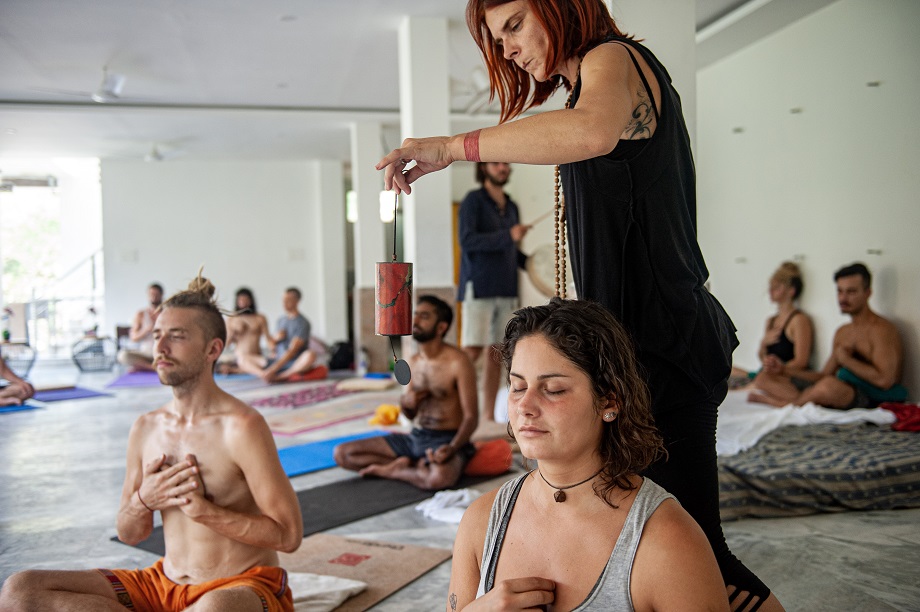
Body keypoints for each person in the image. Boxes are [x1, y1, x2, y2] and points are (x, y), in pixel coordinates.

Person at [376, 1, 780, 609]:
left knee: (701, 551)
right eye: (498, 37)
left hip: (664, 348)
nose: (508, 49)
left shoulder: (612, 60)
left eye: (515, 24)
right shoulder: (582, 92)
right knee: (635, 533)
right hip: (626, 352)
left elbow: (592, 130)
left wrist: (452, 147)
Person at [0, 273, 303, 611]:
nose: (159, 348)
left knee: (212, 609)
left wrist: (205, 511)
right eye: (158, 335)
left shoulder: (242, 427)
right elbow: (130, 533)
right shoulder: (146, 428)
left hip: (241, 586)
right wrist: (144, 499)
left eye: (176, 337)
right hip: (162, 584)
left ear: (212, 349)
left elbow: (288, 535)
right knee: (19, 590)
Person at [448, 299, 727, 610]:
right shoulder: (483, 521)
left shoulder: (665, 541)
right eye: (517, 387)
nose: (524, 406)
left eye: (552, 389)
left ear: (609, 401)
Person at [333, 295, 479, 490]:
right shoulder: (411, 361)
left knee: (439, 479)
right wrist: (407, 405)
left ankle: (394, 470)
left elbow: (471, 417)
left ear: (441, 327)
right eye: (415, 315)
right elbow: (409, 415)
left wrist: (452, 448)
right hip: (416, 437)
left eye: (424, 316)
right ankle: (410, 467)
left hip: (446, 439)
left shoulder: (459, 362)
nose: (415, 321)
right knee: (342, 454)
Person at [750, 263, 907, 409]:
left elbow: (885, 381)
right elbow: (823, 375)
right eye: (840, 291)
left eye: (851, 292)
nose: (843, 298)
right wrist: (783, 370)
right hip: (841, 388)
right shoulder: (843, 332)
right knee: (763, 379)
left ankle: (785, 404)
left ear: (868, 293)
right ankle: (798, 400)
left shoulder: (882, 330)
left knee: (828, 386)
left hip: (872, 396)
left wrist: (847, 360)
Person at [458, 161, 529, 422]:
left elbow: (510, 249)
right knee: (472, 351)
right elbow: (467, 241)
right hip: (479, 286)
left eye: (505, 164)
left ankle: (487, 417)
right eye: (496, 164)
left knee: (496, 353)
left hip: (507, 287)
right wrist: (507, 235)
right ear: (484, 168)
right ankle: (457, 412)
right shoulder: (473, 201)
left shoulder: (512, 206)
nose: (502, 168)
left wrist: (531, 264)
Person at [732, 262, 814, 388]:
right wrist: (763, 344)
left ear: (791, 291)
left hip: (786, 376)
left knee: (758, 381)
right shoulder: (771, 320)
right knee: (728, 369)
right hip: (768, 374)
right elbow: (762, 356)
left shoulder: (799, 320)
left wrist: (778, 368)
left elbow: (801, 361)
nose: (770, 291)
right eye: (771, 286)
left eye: (777, 287)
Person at [237, 287, 318, 382]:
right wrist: (275, 339)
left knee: (310, 355)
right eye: (283, 300)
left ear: (297, 301)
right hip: (275, 360)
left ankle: (280, 377)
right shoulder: (281, 320)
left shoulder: (303, 323)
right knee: (242, 359)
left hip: (292, 363)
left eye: (288, 300)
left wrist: (273, 369)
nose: (284, 303)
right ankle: (264, 375)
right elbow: (271, 345)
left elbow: (292, 351)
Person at [220, 287, 275, 374]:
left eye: (245, 299)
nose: (243, 301)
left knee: (267, 362)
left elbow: (268, 339)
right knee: (241, 359)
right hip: (239, 357)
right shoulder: (232, 319)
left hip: (256, 357)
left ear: (251, 300)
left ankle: (236, 370)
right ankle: (261, 373)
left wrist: (273, 351)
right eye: (240, 299)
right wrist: (233, 332)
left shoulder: (260, 318)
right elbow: (226, 344)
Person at [117, 282, 163, 372]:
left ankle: (146, 367)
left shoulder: (167, 313)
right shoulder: (141, 314)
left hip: (163, 352)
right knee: (123, 355)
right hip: (146, 353)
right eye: (151, 294)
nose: (154, 297)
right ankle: (153, 367)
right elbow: (133, 337)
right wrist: (146, 330)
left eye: (156, 295)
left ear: (161, 295)